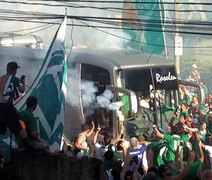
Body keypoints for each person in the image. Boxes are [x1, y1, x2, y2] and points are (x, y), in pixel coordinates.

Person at [0, 61, 27, 140]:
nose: (16, 72)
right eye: (16, 69)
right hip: (7, 107)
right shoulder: (14, 79)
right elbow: (22, 90)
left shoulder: (1, 78)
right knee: (22, 125)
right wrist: (23, 83)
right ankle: (27, 146)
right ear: (13, 70)